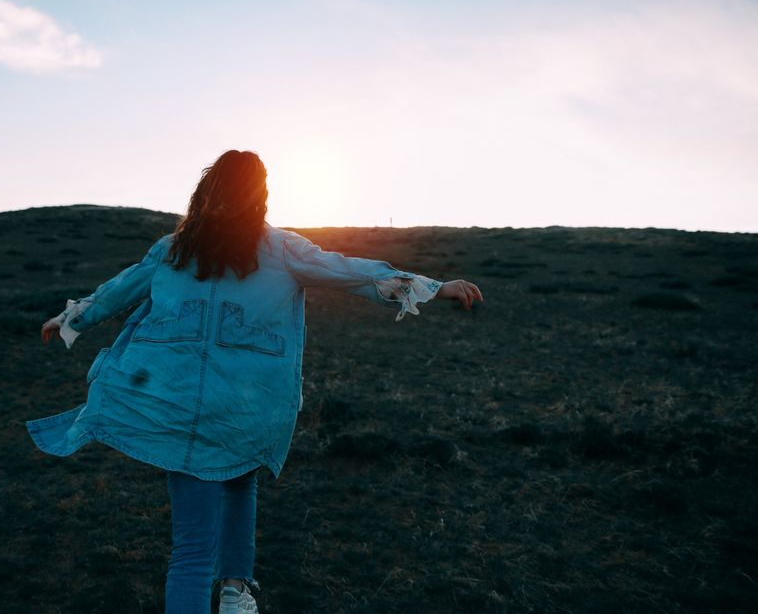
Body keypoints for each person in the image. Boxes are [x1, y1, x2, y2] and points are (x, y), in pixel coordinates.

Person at [26, 150, 483, 614]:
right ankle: (235, 590)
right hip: (243, 408)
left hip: (174, 406)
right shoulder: (280, 249)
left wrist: (71, 319)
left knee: (190, 551)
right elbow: (350, 271)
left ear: (205, 192)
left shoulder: (173, 249)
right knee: (240, 482)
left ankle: (234, 590)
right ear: (260, 197)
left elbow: (118, 290)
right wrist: (432, 285)